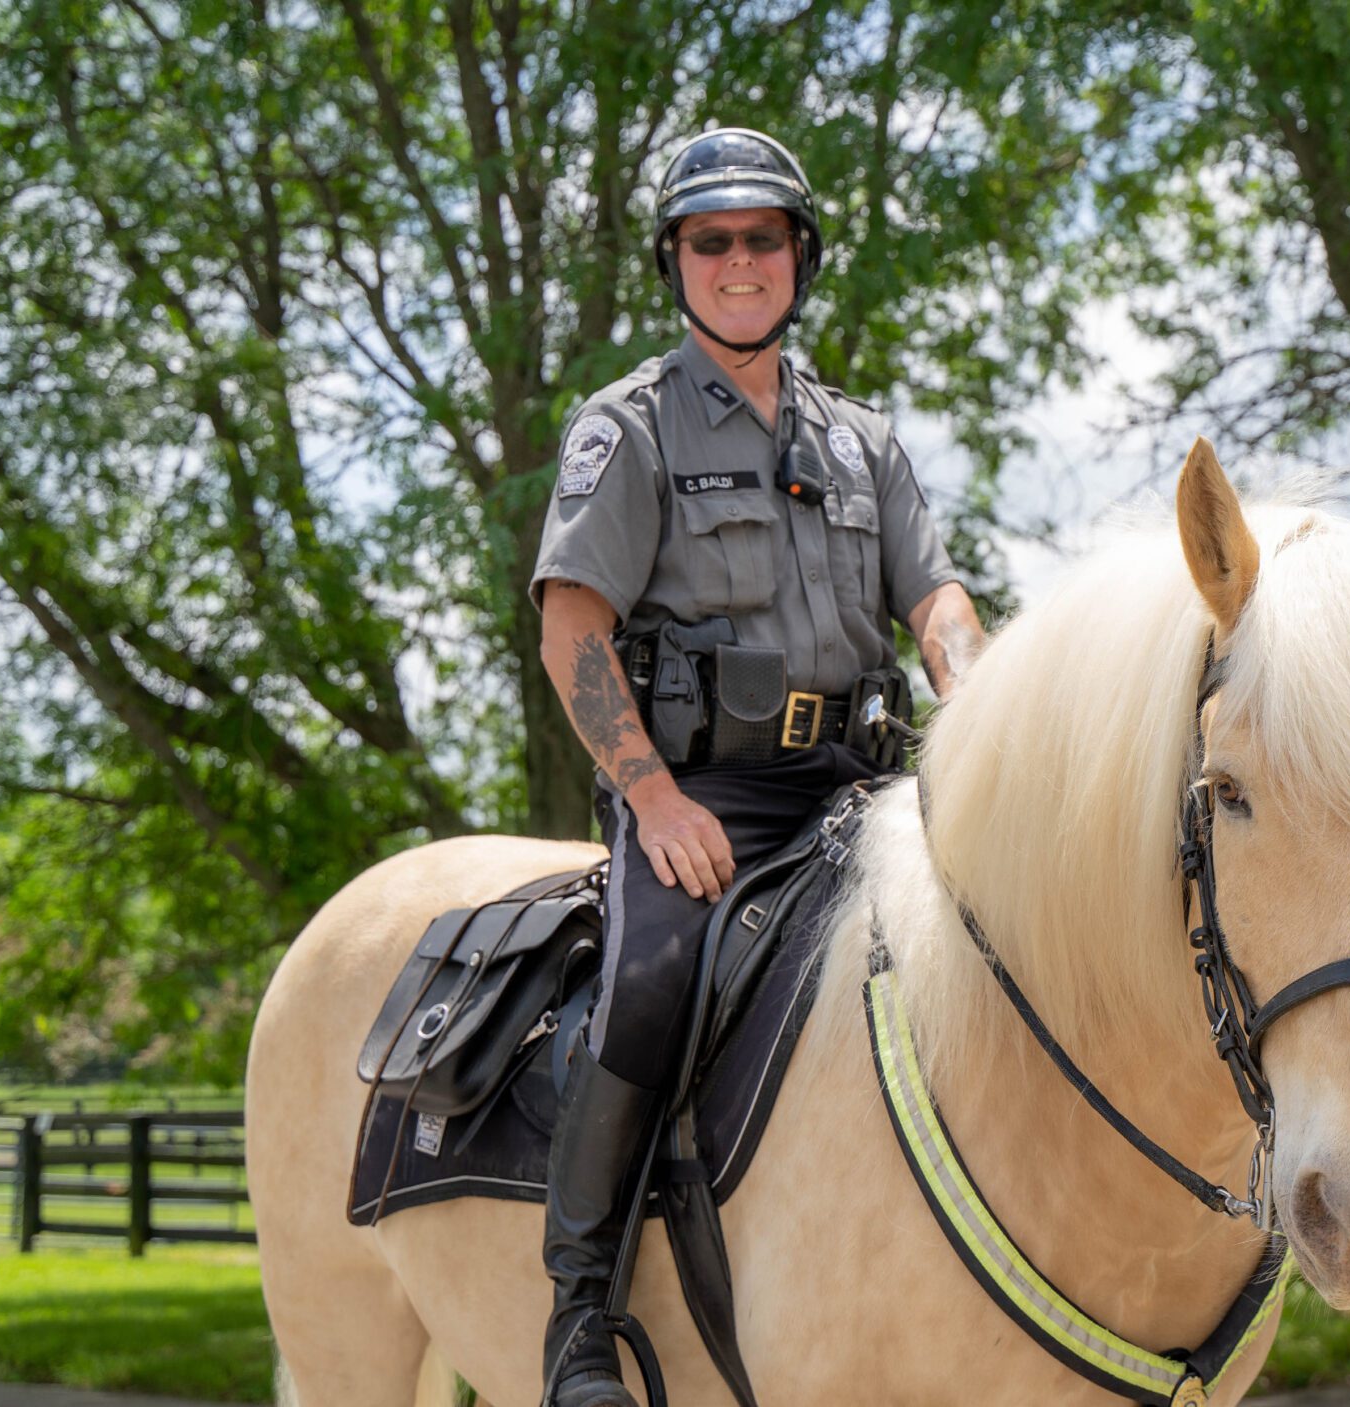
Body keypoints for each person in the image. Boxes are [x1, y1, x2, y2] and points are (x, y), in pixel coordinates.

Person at [528, 127, 986, 1407]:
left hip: (856, 785)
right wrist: (650, 795)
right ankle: (579, 1315)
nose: (739, 261)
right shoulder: (628, 430)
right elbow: (573, 623)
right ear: (676, 261)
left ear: (800, 256)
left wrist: (977, 683)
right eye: (710, 241)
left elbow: (936, 598)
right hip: (703, 798)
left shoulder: (864, 443)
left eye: (762, 237)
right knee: (649, 981)